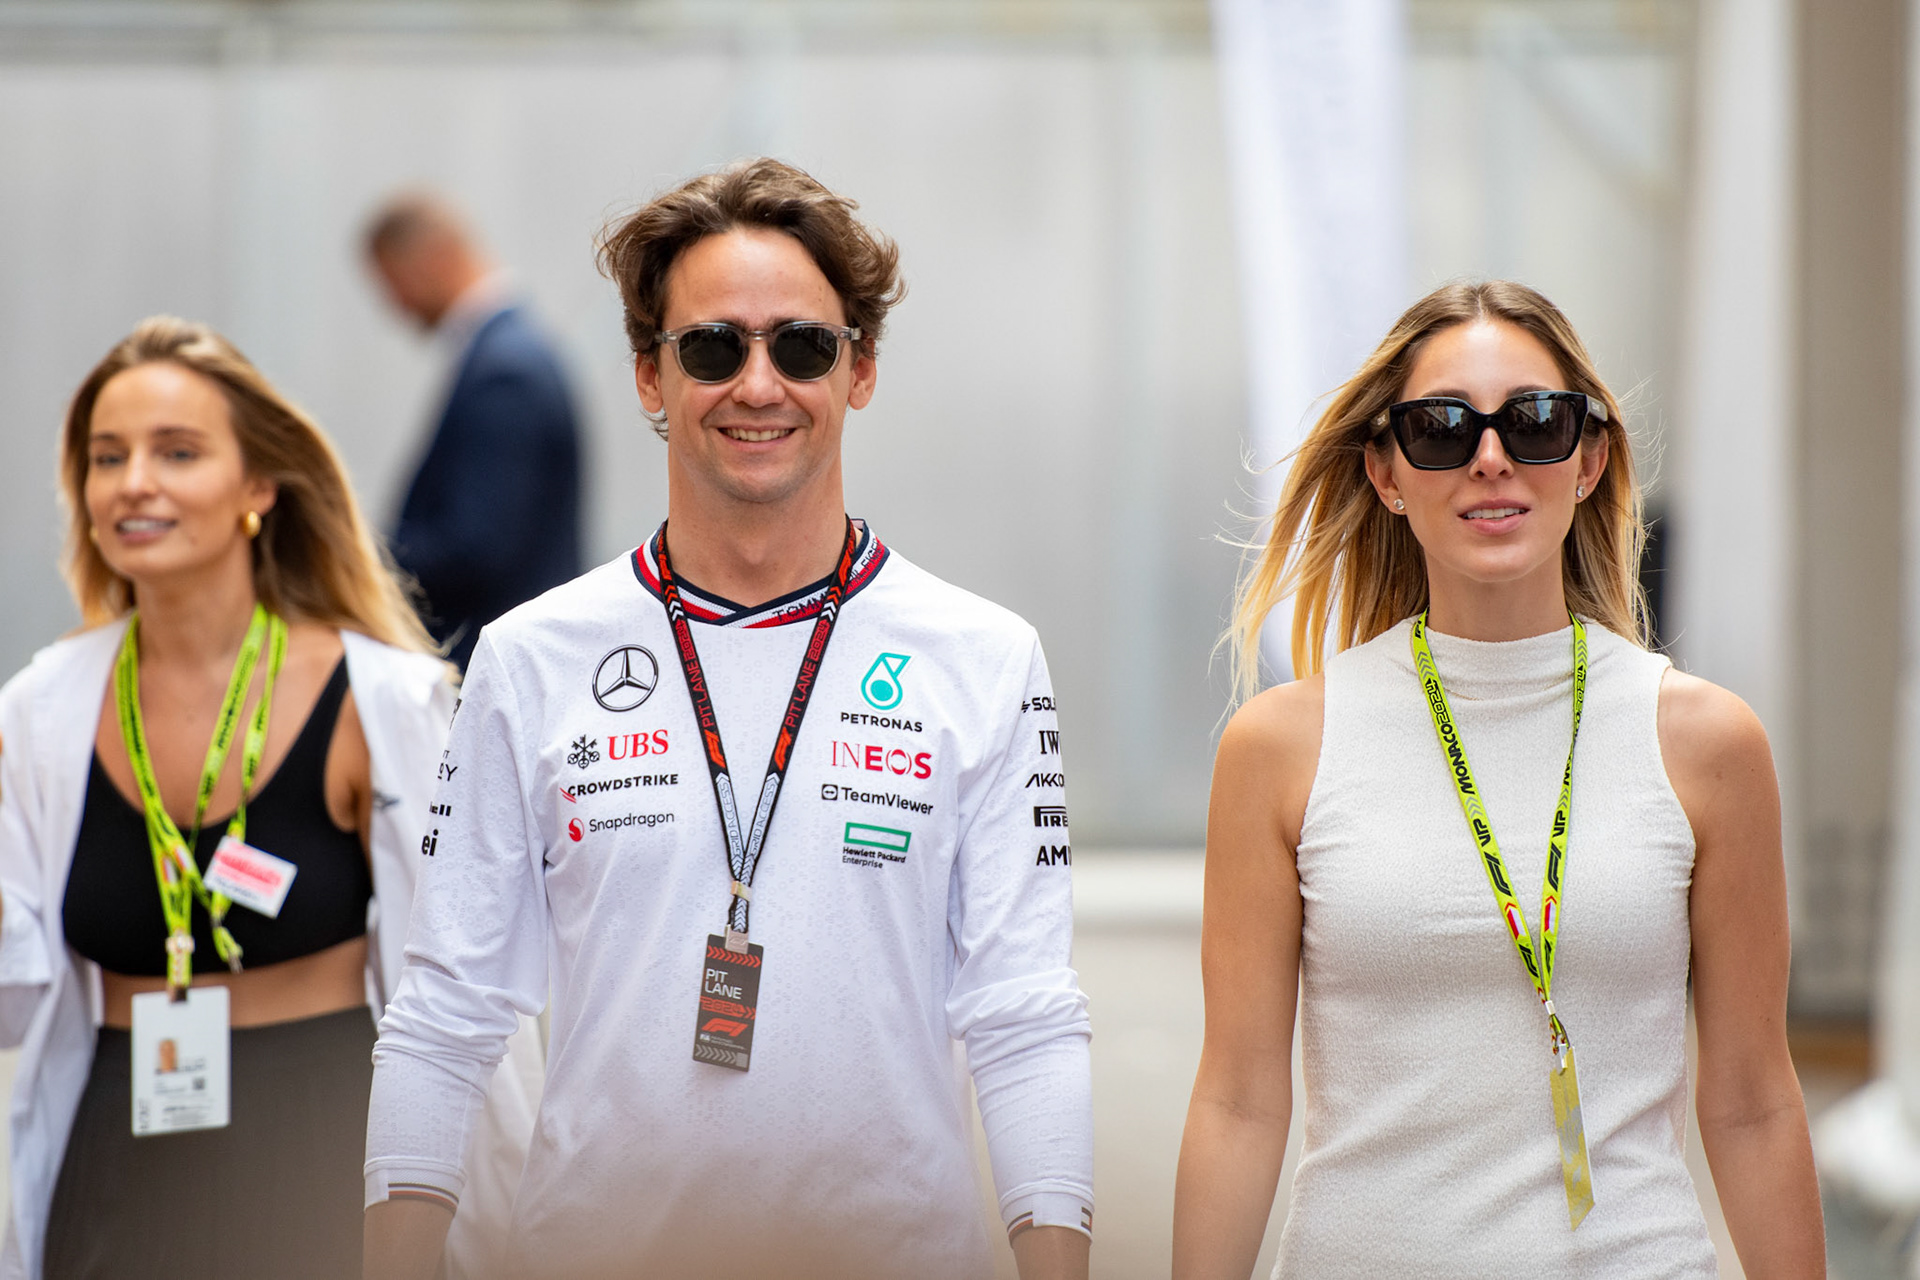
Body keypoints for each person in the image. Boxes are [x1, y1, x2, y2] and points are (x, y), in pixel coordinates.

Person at [362, 158, 1094, 1280]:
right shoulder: (529, 657)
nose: (759, 383)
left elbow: (1026, 1015)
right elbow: (446, 1011)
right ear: (651, 378)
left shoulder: (987, 658)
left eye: (801, 345)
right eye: (712, 347)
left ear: (862, 372)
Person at [1171, 281, 1825, 1276]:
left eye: (1534, 422)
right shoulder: (1282, 747)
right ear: (1386, 471)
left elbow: (1752, 1098)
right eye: (1440, 428)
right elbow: (1238, 1096)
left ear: (1589, 458)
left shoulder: (1707, 742)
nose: (1490, 456)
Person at [0, 317, 540, 1280]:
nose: (135, 483)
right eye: (106, 456)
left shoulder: (382, 701)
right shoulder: (41, 712)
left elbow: (466, 977)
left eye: (177, 452)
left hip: (320, 1155)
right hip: (115, 1163)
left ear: (258, 485)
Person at [366, 191, 584, 670]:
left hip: (497, 667)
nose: (395, 306)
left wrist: (352, 552)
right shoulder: (505, 356)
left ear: (434, 258)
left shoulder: (505, 372)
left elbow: (476, 548)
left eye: (393, 282)